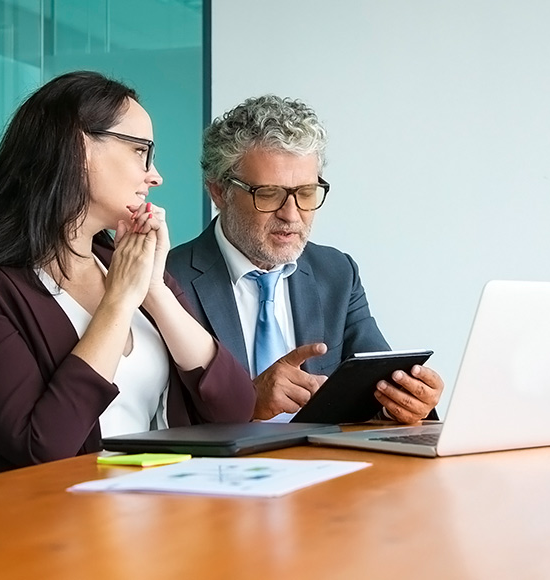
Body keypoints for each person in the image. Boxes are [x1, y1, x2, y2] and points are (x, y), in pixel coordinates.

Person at [0, 71, 256, 482]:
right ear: (79, 148)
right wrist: (117, 302)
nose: (155, 175)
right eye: (140, 151)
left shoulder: (125, 264)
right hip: (53, 527)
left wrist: (154, 292)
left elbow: (237, 409)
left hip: (166, 510)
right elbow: (44, 446)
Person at [166, 95, 443, 423]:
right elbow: (160, 419)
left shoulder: (337, 273)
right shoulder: (167, 281)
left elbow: (376, 385)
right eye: (269, 194)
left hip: (325, 467)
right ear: (218, 192)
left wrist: (406, 400)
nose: (292, 215)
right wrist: (247, 403)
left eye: (307, 193)